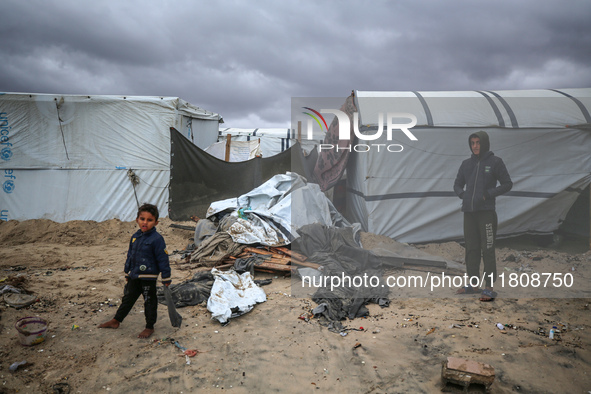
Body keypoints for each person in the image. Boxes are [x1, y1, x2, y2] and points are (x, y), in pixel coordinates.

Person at [453, 131, 512, 301]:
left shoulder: (495, 162)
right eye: (472, 143)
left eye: (478, 142)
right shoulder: (466, 164)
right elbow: (457, 184)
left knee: (487, 249)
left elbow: (507, 184)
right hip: (469, 213)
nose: (475, 146)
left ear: (484, 143)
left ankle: (488, 287)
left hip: (486, 212)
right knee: (471, 249)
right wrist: (463, 195)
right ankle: (472, 284)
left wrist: (487, 194)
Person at [99, 203, 172, 337]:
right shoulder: (135, 237)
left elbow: (163, 259)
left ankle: (149, 327)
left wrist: (166, 277)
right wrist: (127, 272)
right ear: (137, 219)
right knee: (127, 299)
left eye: (149, 220)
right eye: (142, 219)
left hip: (148, 278)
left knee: (149, 302)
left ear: (156, 222)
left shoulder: (157, 239)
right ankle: (116, 320)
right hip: (134, 276)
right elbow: (130, 256)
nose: (145, 222)